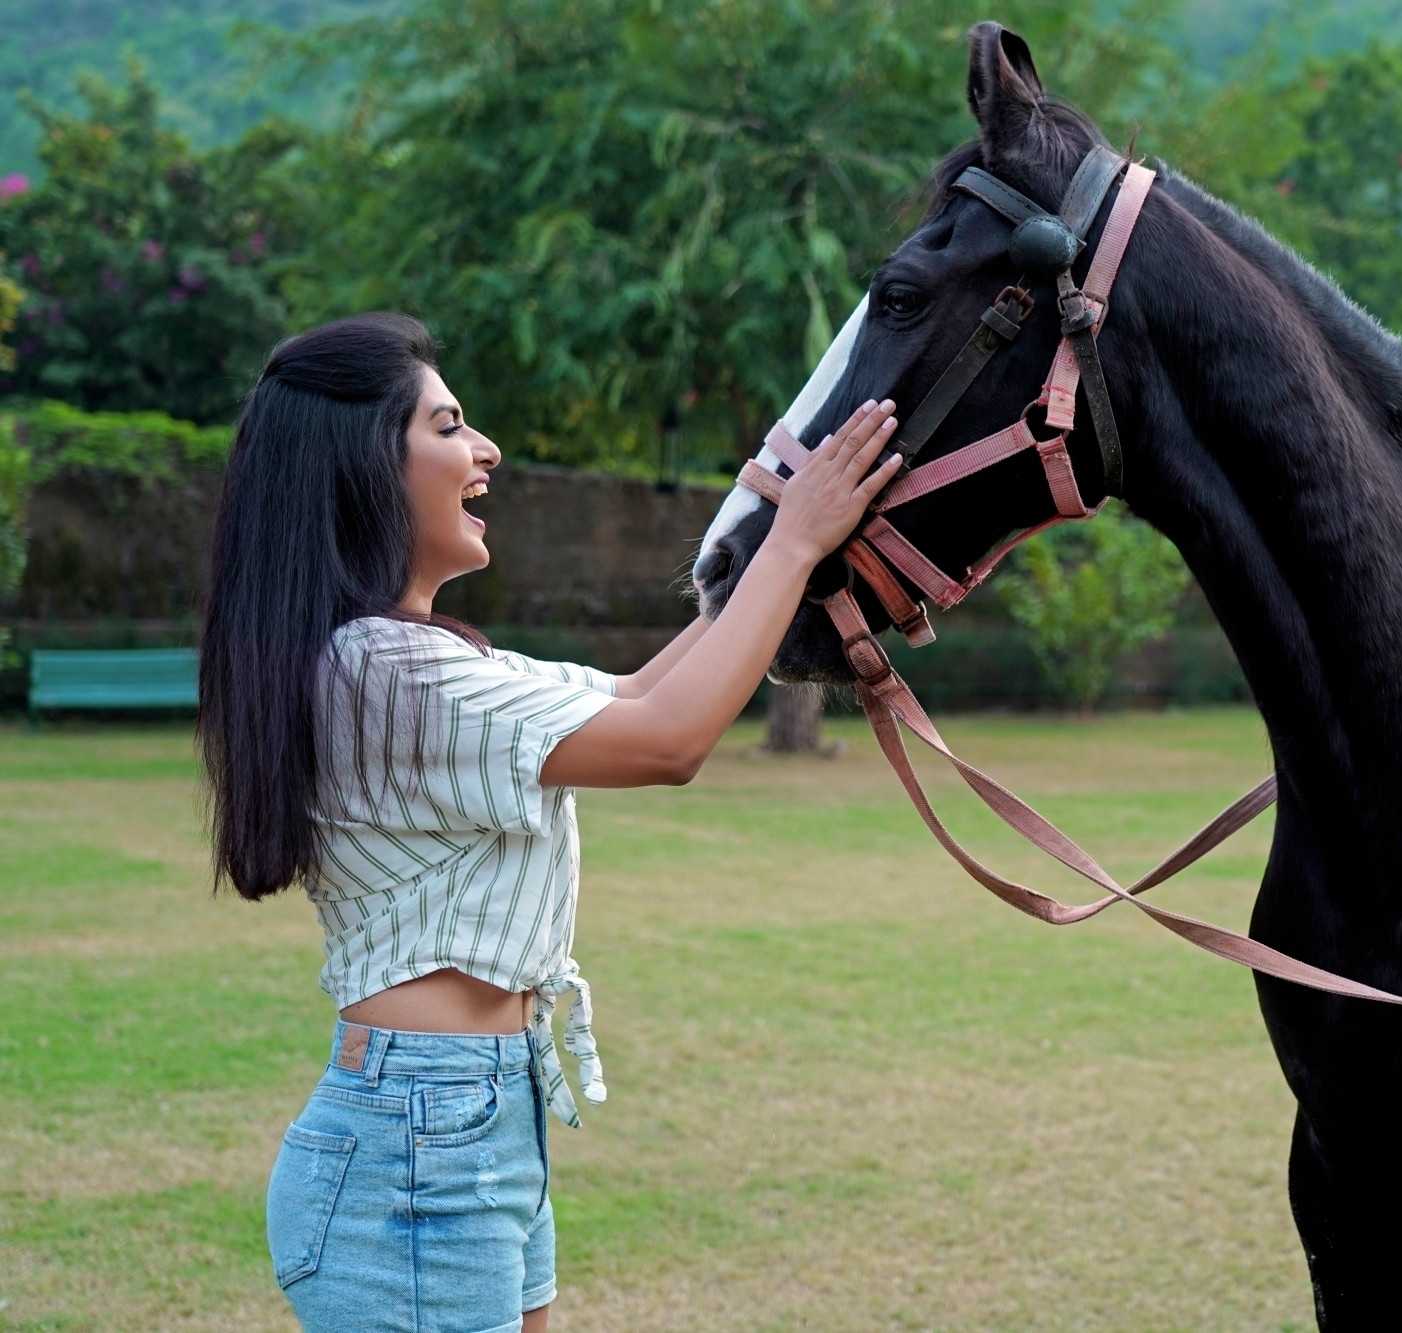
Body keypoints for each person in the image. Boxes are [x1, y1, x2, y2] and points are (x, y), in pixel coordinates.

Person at [198, 312, 898, 1332]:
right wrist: (794, 541)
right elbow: (667, 740)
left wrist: (765, 549)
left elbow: (635, 693)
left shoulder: (423, 662)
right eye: (447, 426)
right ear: (362, 465)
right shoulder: (389, 672)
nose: (484, 451)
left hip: (466, 1114)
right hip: (422, 1138)